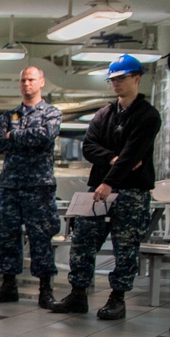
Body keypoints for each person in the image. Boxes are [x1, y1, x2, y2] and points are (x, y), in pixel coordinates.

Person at [52, 55, 161, 320]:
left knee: (126, 245)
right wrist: (113, 159)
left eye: (121, 78)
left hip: (131, 192)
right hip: (99, 191)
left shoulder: (148, 116)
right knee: (83, 239)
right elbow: (88, 147)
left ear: (137, 78)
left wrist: (111, 180)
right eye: (112, 79)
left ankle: (117, 298)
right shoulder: (104, 114)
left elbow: (133, 154)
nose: (116, 83)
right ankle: (78, 293)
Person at [0, 67, 62, 309]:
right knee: (7, 236)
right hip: (10, 186)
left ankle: (45, 289)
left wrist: (13, 136)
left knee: (40, 236)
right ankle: (9, 285)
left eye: (31, 79)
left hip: (39, 186)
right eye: (23, 80)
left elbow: (45, 136)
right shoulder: (8, 116)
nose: (27, 84)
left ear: (41, 82)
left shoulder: (51, 113)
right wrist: (19, 137)